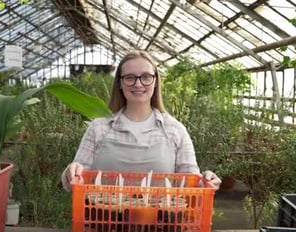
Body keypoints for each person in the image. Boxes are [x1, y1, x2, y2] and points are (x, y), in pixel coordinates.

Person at [61, 50, 221, 190]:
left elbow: (190, 181)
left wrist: (206, 181)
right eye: (130, 77)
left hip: (161, 221)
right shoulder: (99, 128)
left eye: (146, 77)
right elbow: (74, 180)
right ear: (120, 84)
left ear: (156, 81)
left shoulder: (175, 130)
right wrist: (71, 172)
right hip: (105, 219)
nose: (138, 84)